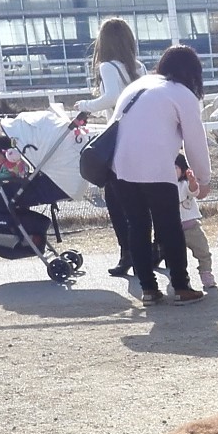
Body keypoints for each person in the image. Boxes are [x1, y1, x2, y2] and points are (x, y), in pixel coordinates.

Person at [108, 45, 214, 306]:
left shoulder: (139, 85)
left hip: (120, 167)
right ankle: (181, 286)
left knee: (138, 227)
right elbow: (195, 143)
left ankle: (148, 289)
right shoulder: (182, 94)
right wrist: (204, 179)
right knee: (169, 227)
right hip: (155, 167)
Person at [73, 18, 144, 278]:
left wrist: (85, 105)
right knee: (140, 197)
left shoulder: (106, 66)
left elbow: (112, 98)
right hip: (141, 136)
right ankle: (145, 250)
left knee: (115, 197)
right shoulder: (138, 67)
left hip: (118, 137)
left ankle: (127, 252)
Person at [176, 152, 216, 289]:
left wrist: (193, 182)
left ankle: (206, 274)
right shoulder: (163, 187)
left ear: (183, 170)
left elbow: (194, 191)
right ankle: (181, 280)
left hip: (192, 228)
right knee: (177, 259)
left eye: (175, 168)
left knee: (203, 252)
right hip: (174, 230)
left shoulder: (185, 184)